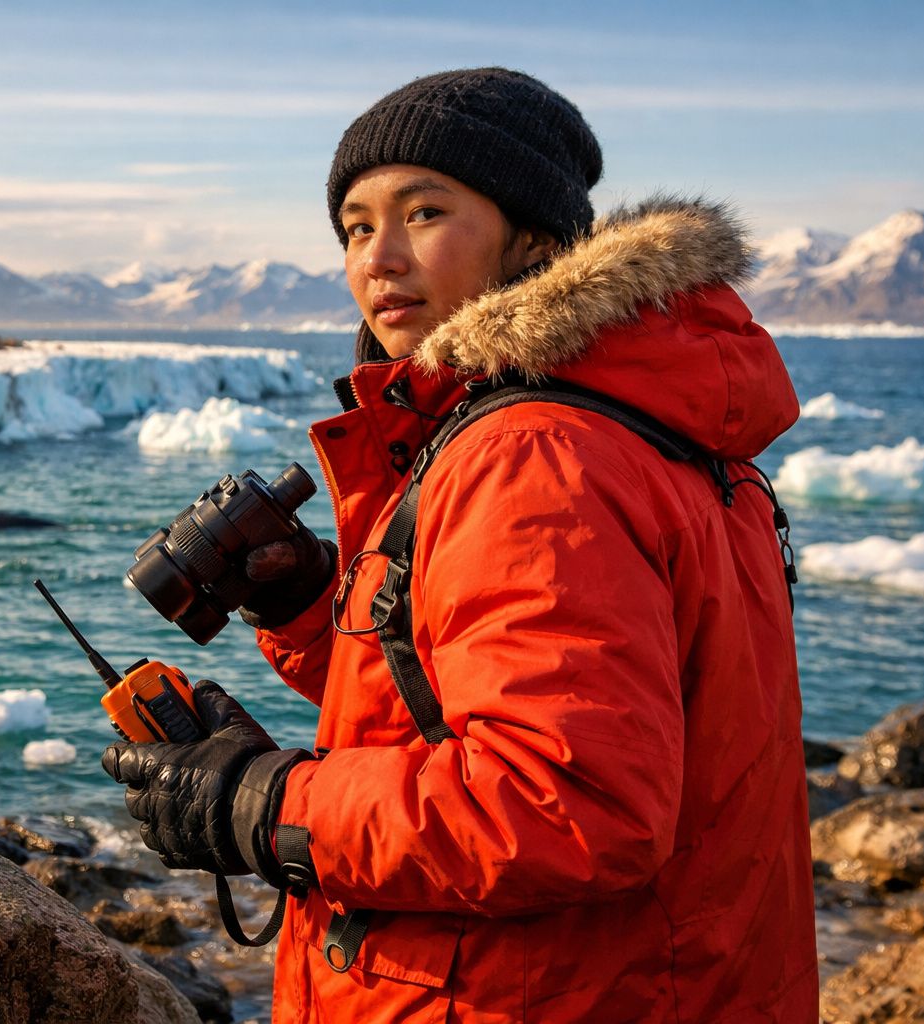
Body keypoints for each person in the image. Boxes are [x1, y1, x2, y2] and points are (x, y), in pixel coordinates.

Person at [102, 67, 817, 1021]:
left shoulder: (534, 453)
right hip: (676, 977)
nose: (379, 259)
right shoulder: (649, 419)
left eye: (425, 212)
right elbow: (503, 691)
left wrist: (268, 805)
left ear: (536, 237)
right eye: (356, 226)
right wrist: (317, 598)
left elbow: (567, 806)